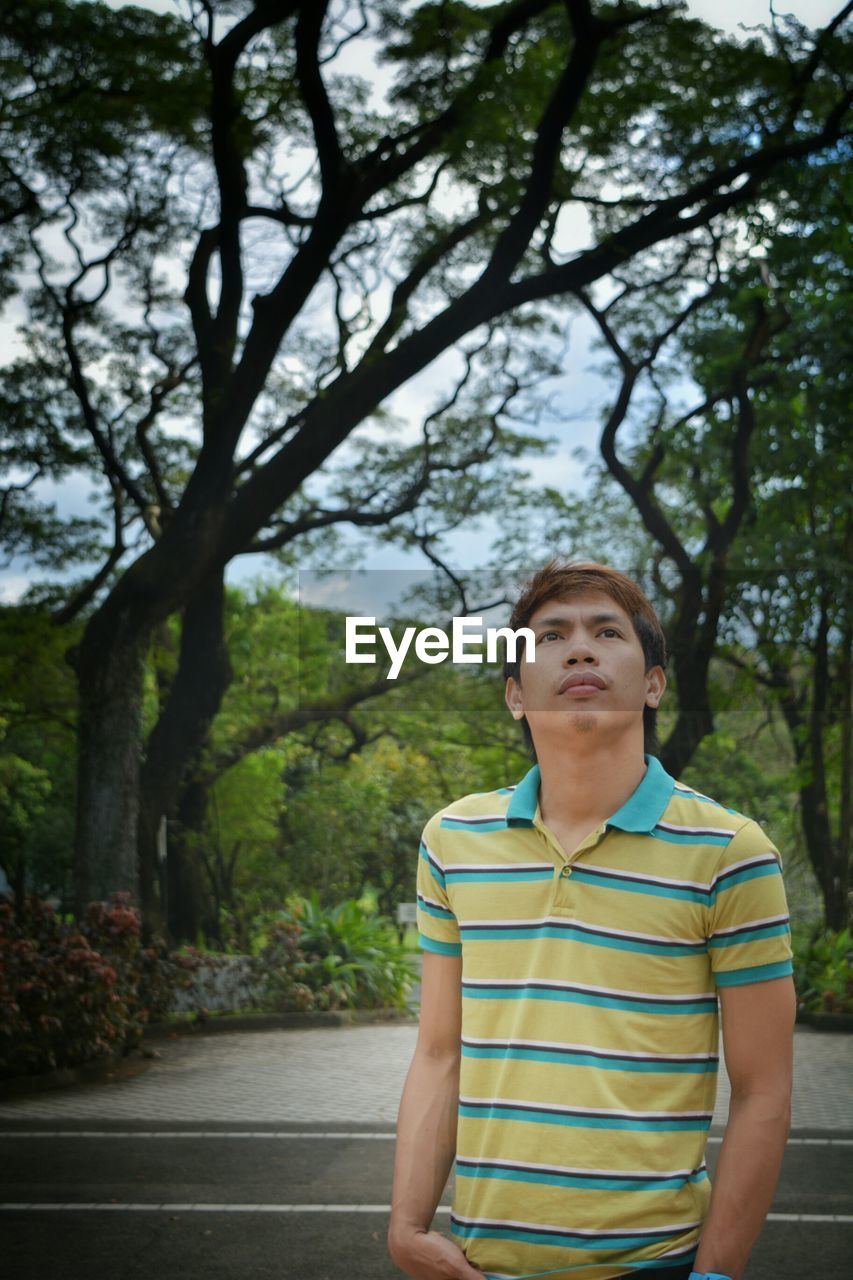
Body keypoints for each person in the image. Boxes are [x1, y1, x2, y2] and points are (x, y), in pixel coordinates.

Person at [388, 560, 795, 1280]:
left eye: (606, 632)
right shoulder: (452, 841)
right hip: (476, 1263)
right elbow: (438, 1054)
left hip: (653, 1265)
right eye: (550, 636)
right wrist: (405, 1229)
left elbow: (763, 1089)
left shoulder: (730, 852)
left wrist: (713, 1276)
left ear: (652, 684)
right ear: (515, 694)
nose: (578, 649)